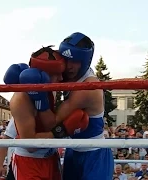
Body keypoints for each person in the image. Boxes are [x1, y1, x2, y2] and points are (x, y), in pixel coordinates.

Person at [3, 46, 89, 180]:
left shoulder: (50, 90)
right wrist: (61, 131)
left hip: (51, 157)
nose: (61, 78)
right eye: (56, 73)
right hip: (29, 162)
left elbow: (48, 123)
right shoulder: (21, 99)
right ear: (44, 74)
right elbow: (29, 145)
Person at [37, 32, 114, 179]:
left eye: (75, 61)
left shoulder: (87, 87)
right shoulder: (67, 76)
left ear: (85, 61)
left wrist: (38, 95)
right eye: (66, 60)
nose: (69, 67)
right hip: (73, 150)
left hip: (94, 153)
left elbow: (52, 122)